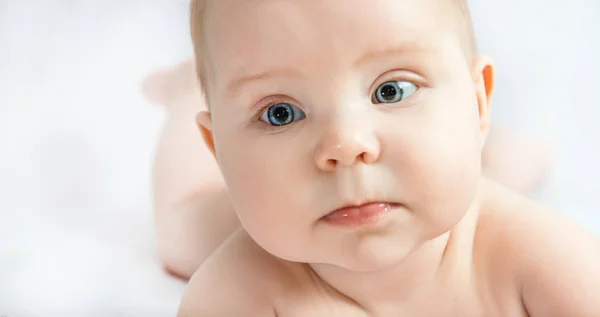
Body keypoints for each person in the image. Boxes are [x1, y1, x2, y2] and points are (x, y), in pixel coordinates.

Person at [160, 0, 600, 315]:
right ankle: (186, 94)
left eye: (391, 90)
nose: (346, 144)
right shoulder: (234, 296)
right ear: (218, 149)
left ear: (479, 101)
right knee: (183, 233)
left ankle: (504, 153)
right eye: (280, 114)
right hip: (245, 216)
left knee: (479, 175)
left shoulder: (548, 259)